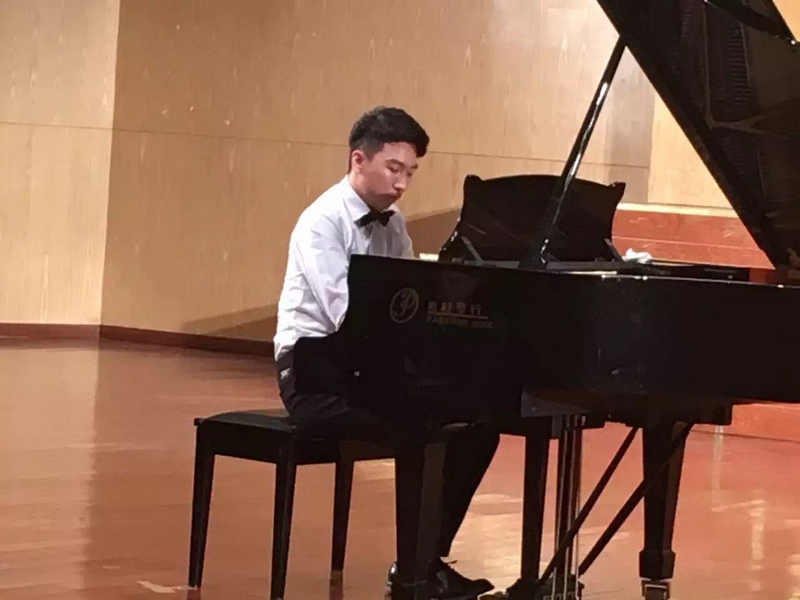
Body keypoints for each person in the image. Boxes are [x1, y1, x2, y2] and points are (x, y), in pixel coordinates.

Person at [273, 106, 500, 599]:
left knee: (480, 429)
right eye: (394, 169)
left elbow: (410, 300)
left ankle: (424, 561)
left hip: (368, 369)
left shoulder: (393, 223)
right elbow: (344, 315)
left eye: (410, 173)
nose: (402, 184)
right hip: (315, 375)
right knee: (422, 427)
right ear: (359, 159)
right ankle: (415, 576)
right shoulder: (322, 223)